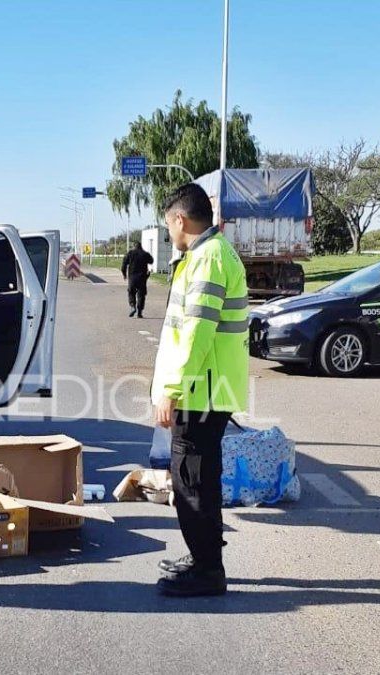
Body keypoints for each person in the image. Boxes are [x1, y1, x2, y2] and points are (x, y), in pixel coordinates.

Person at [150, 182, 249, 597]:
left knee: (192, 482)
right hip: (206, 389)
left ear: (180, 219)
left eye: (168, 223)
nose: (169, 231)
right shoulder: (206, 255)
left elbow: (197, 335)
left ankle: (208, 571)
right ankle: (204, 556)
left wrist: (172, 389)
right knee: (200, 480)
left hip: (200, 393)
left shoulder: (208, 259)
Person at [121, 241, 155, 317]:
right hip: (142, 278)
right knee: (141, 295)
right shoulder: (145, 254)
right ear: (141, 246)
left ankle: (133, 306)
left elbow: (123, 265)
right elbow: (151, 261)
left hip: (132, 277)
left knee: (131, 292)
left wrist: (124, 274)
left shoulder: (130, 253)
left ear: (134, 246)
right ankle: (139, 312)